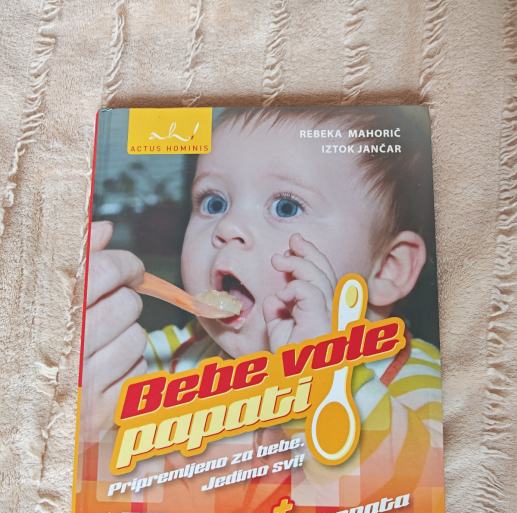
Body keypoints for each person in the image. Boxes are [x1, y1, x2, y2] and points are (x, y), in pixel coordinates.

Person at [82, 106, 441, 470]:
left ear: (388, 269)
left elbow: (416, 488)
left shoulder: (416, 382)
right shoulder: (173, 361)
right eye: (214, 203)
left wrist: (323, 376)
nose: (228, 226)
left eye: (286, 207)